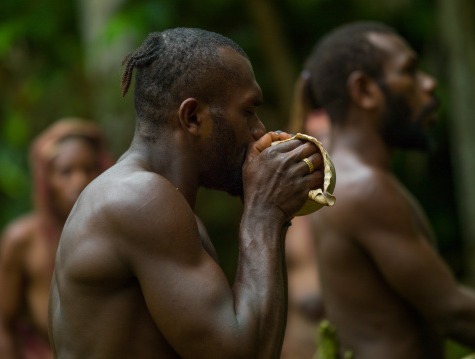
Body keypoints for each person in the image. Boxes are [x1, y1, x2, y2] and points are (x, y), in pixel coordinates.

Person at [48, 27, 325, 358]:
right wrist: (265, 211)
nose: (259, 130)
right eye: (249, 111)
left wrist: (270, 211)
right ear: (193, 117)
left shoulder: (145, 196)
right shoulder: (140, 198)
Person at [305, 22, 475, 358]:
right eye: (410, 71)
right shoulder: (364, 188)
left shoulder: (346, 178)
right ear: (365, 91)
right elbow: (452, 313)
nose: (429, 83)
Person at [0, 119, 113, 359]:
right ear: (47, 181)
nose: (79, 182)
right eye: (66, 172)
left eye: (89, 169)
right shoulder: (22, 241)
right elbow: (4, 324)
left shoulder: (114, 234)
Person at [280, 70, 329, 359]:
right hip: (295, 346)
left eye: (327, 140)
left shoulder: (363, 197)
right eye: (315, 140)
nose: (322, 148)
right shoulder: (285, 199)